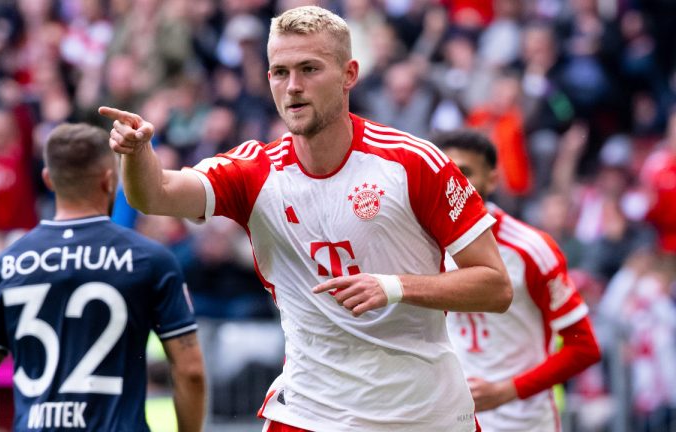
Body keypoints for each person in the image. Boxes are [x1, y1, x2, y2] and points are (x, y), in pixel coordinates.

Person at [100, 6, 512, 432]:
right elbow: (156, 193)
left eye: (309, 69)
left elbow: (495, 285)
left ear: (349, 74)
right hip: (308, 411)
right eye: (280, 72)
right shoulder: (253, 170)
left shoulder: (413, 163)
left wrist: (392, 287)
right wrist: (135, 154)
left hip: (421, 413)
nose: (293, 87)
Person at [0, 123, 206, 432]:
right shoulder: (150, 260)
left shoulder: (4, 265)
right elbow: (190, 372)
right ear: (109, 181)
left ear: (48, 180)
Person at [434, 129, 602, 431]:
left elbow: (584, 347)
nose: (456, 184)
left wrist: (506, 391)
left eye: (466, 172)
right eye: (448, 173)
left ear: (493, 179)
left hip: (523, 421)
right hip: (454, 420)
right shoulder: (427, 248)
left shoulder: (531, 249)